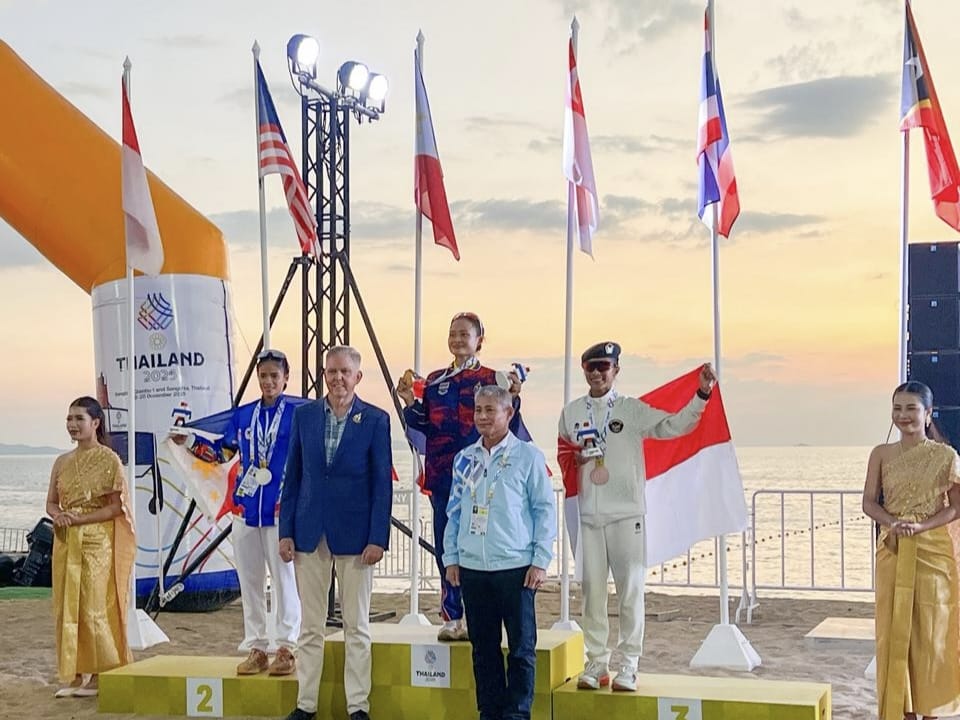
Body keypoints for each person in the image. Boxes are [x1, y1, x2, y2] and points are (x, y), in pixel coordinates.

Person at [558, 342, 716, 692]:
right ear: (584, 370)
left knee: (630, 592)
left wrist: (702, 395)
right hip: (589, 516)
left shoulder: (630, 409)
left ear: (616, 370)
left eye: (604, 366)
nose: (597, 373)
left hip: (627, 514)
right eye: (590, 367)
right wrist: (577, 460)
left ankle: (629, 664)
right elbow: (564, 455)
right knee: (592, 594)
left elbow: (673, 426)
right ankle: (597, 662)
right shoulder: (571, 412)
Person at [279, 346, 392, 720]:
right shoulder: (304, 416)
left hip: (357, 537)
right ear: (323, 375)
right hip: (309, 532)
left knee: (356, 626)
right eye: (332, 371)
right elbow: (293, 477)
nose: (338, 378)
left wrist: (378, 537)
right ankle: (305, 705)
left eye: (345, 371)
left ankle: (358, 706)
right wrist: (285, 531)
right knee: (310, 626)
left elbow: (382, 484)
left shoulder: (375, 420)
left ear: (358, 377)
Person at [175, 348, 303, 676]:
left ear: (286, 378)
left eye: (275, 376)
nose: (269, 381)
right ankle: (257, 647)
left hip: (280, 510)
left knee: (285, 580)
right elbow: (223, 453)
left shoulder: (299, 415)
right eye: (264, 376)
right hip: (245, 508)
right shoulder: (244, 415)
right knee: (250, 580)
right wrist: (189, 442)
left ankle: (287, 647)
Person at [397, 311, 524, 641]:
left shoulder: (493, 378)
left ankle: (485, 616)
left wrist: (515, 393)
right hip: (443, 477)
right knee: (447, 546)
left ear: (479, 340)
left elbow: (508, 419)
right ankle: (452, 616)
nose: (457, 339)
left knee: (483, 546)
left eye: (464, 334)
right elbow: (423, 425)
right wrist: (409, 401)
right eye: (453, 333)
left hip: (484, 478)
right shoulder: (435, 380)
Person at [443, 385, 556, 720]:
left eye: (490, 410)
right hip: (473, 568)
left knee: (521, 649)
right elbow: (454, 512)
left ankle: (517, 714)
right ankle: (489, 712)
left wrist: (540, 560)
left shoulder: (528, 457)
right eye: (478, 409)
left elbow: (544, 510)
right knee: (483, 649)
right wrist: (451, 557)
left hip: (516, 567)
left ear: (509, 413)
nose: (482, 416)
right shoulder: (464, 458)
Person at [862, 381, 960, 720]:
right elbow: (868, 503)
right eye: (897, 408)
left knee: (932, 634)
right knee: (893, 631)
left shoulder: (946, 456)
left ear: (928, 413)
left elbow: (955, 508)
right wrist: (893, 522)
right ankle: (901, 710)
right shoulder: (881, 454)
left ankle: (931, 710)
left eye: (911, 408)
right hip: (892, 548)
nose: (903, 415)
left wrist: (920, 526)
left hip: (933, 553)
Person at [46, 396, 135, 698]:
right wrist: (59, 516)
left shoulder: (110, 460)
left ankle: (100, 674)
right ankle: (73, 673)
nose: (72, 424)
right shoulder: (62, 462)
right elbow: (51, 503)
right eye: (69, 419)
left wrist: (81, 518)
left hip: (97, 541)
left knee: (94, 605)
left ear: (95, 423)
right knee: (66, 605)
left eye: (79, 418)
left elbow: (117, 507)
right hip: (66, 539)